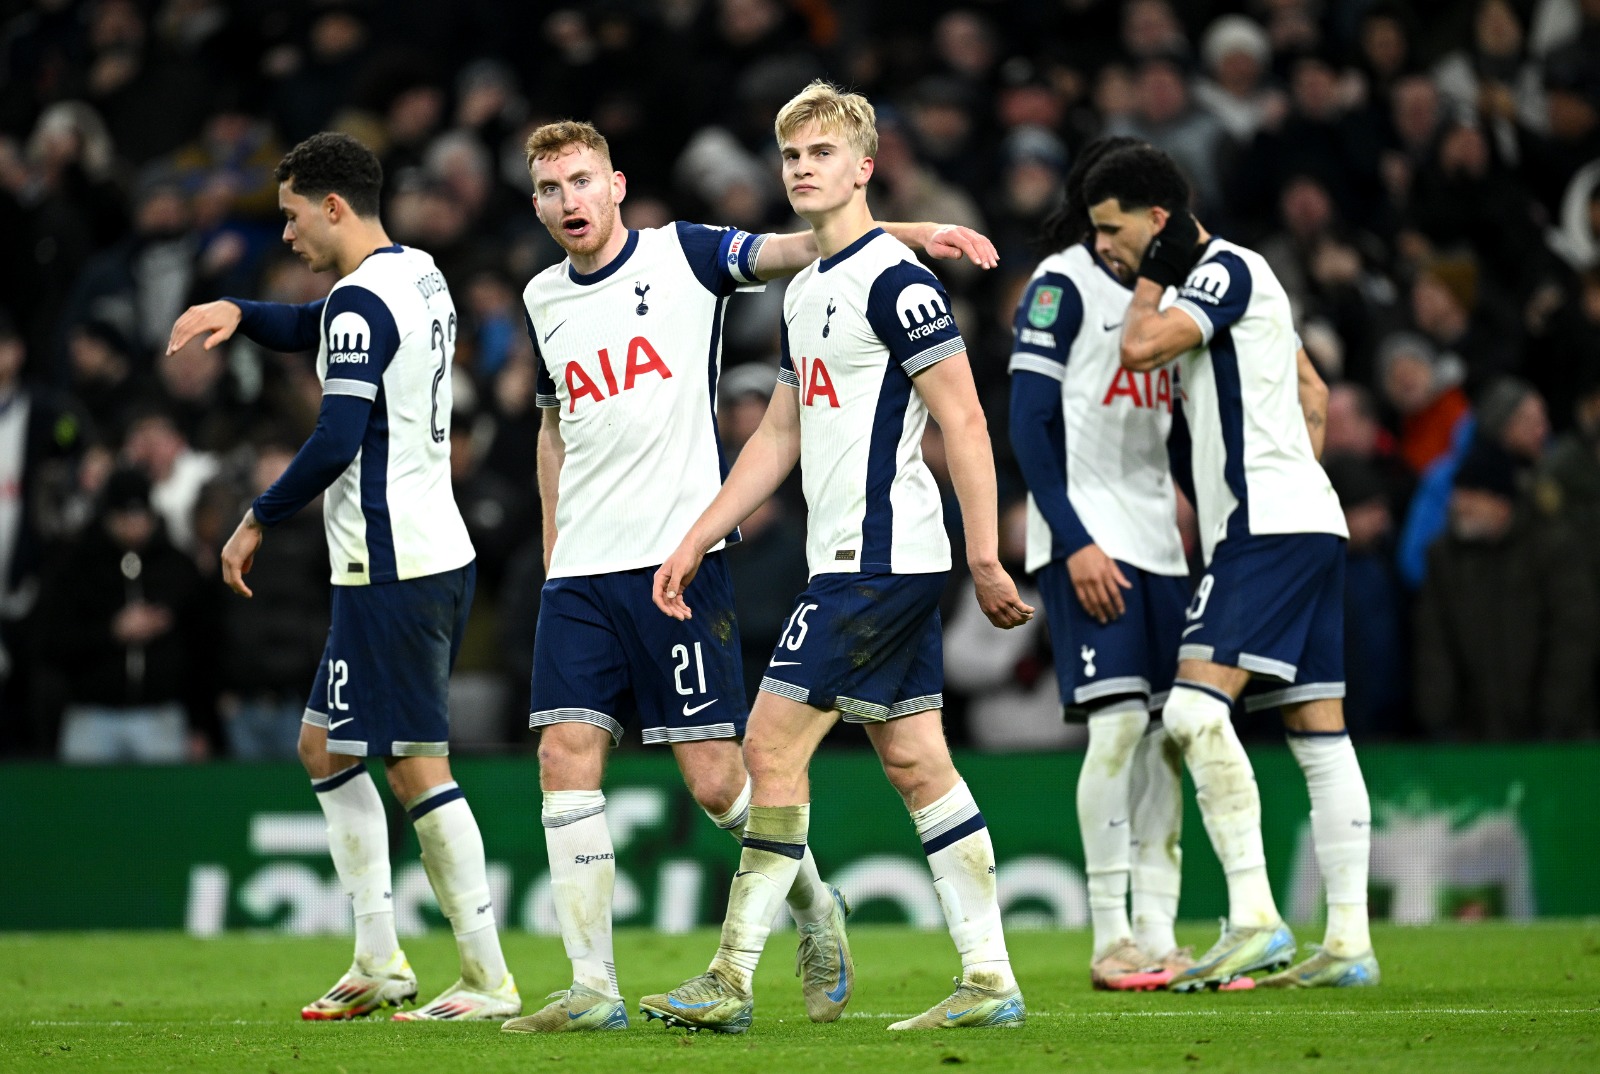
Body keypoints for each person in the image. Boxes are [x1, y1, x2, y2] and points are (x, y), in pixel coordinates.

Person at [503, 119, 1001, 1034]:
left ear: (617, 185)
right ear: (534, 203)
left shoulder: (687, 257)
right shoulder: (543, 299)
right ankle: (595, 989)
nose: (568, 201)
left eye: (582, 181)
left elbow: (811, 238)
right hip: (585, 568)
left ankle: (807, 919)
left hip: (716, 563)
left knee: (726, 776)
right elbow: (553, 427)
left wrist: (918, 233)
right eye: (549, 188)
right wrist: (552, 543)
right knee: (564, 757)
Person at [643, 81, 1033, 1033]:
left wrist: (985, 553)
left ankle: (732, 978)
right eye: (791, 156)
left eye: (821, 154)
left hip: (883, 555)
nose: (802, 169)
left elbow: (967, 420)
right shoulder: (808, 286)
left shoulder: (900, 283)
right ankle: (989, 978)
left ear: (864, 168)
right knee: (914, 761)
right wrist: (700, 532)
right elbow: (779, 434)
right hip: (849, 557)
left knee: (768, 747)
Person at [165, 132, 519, 1022]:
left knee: (413, 766)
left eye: (289, 216)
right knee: (324, 746)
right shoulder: (416, 273)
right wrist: (241, 312)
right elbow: (318, 327)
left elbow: (335, 436)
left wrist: (254, 518)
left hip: (393, 564)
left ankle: (486, 976)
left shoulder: (361, 302)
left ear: (332, 207)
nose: (283, 235)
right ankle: (378, 957)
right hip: (414, 550)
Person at [1085, 143, 1378, 989]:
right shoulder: (1249, 283)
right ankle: (1350, 943)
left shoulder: (1221, 272)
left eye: (1114, 230)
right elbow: (1314, 394)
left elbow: (1138, 349)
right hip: (1306, 524)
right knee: (1320, 738)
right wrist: (1300, 482)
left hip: (1267, 532)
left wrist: (1155, 279)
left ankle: (1253, 916)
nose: (1107, 248)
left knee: (1189, 715)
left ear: (1158, 220)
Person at [1008, 135, 1189, 991]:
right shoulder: (1061, 286)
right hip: (1090, 537)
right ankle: (1110, 932)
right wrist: (1072, 540)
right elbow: (1028, 424)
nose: (1103, 238)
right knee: (1118, 726)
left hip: (1161, 540)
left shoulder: (1172, 293)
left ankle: (1159, 929)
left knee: (1168, 739)